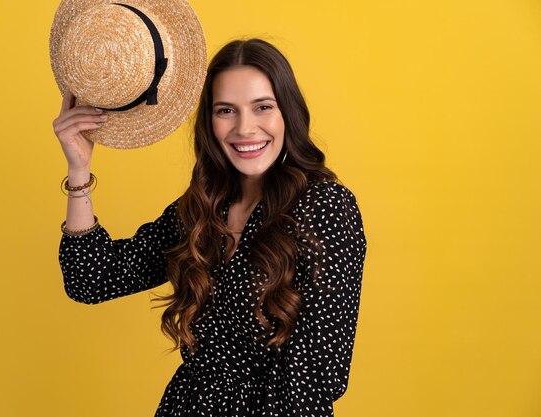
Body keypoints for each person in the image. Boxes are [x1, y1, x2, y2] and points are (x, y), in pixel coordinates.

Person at [53, 38, 367, 417]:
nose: (245, 128)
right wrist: (78, 169)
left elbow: (316, 379)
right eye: (226, 111)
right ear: (209, 122)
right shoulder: (203, 208)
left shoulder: (326, 207)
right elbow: (93, 280)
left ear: (289, 113)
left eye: (263, 107)